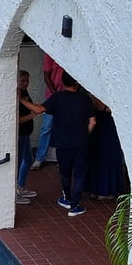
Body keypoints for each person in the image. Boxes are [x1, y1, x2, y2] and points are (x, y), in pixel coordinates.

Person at [24, 72, 97, 217]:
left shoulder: (57, 98)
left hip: (63, 142)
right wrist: (85, 134)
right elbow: (93, 121)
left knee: (65, 172)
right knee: (80, 174)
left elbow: (38, 109)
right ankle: (75, 206)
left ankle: (67, 199)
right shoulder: (85, 98)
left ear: (62, 83)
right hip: (81, 142)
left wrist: (20, 98)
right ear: (77, 82)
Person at [32, 54, 66, 169]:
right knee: (46, 128)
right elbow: (46, 76)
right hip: (53, 96)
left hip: (67, 96)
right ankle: (39, 158)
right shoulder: (50, 54)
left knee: (64, 128)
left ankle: (62, 158)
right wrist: (56, 95)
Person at [15, 70, 39, 204]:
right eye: (22, 81)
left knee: (28, 159)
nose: (25, 84)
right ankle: (15, 191)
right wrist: (33, 114)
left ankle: (20, 186)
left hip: (26, 134)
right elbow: (17, 120)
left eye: (27, 81)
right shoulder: (16, 96)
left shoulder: (23, 94)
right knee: (18, 163)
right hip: (20, 134)